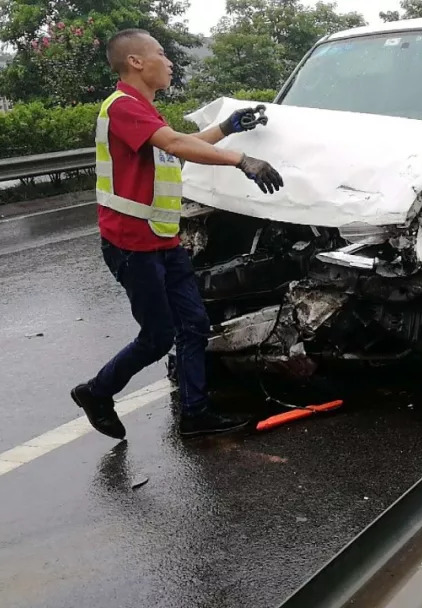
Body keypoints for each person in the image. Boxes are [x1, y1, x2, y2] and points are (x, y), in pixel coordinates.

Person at [71, 28, 284, 440]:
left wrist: (226, 127)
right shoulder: (122, 108)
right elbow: (177, 144)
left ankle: (195, 414)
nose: (169, 62)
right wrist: (243, 160)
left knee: (194, 325)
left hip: (163, 240)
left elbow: (178, 144)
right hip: (132, 245)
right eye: (161, 54)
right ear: (135, 62)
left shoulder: (144, 111)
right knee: (157, 337)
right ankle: (96, 392)